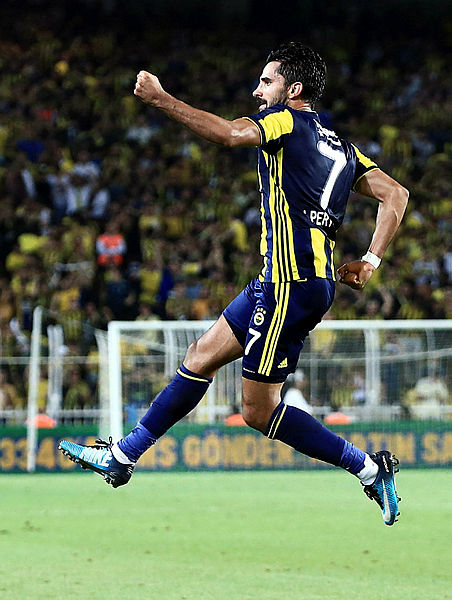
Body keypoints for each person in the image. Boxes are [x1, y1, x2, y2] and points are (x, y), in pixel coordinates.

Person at [60, 42, 408, 526]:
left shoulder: (286, 121)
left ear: (294, 89)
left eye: (266, 81)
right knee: (200, 355)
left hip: (290, 285)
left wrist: (161, 99)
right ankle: (122, 456)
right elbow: (396, 193)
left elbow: (228, 134)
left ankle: (370, 469)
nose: (257, 90)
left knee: (258, 412)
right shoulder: (343, 149)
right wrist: (370, 260)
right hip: (285, 281)